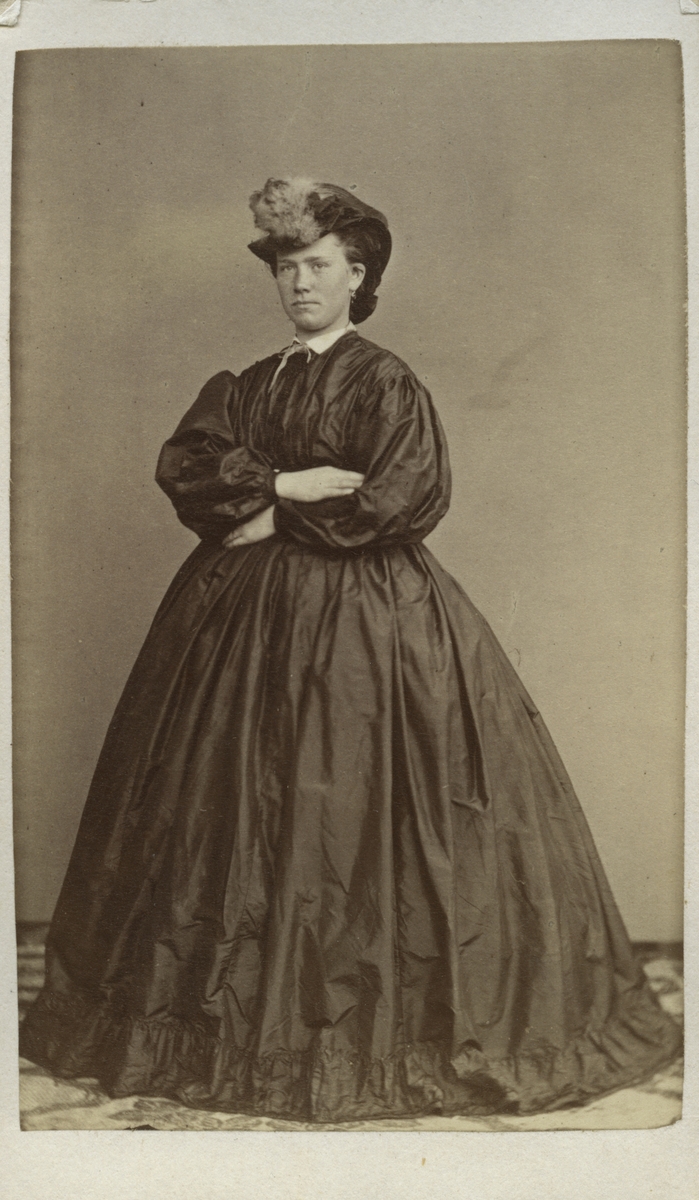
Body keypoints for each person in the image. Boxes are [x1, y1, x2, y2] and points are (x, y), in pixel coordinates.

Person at [19, 178, 681, 1123]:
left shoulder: (384, 380)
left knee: (351, 807)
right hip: (237, 628)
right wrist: (287, 484)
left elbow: (404, 495)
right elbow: (192, 468)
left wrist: (270, 513)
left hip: (367, 625)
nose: (300, 283)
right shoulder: (250, 383)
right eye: (287, 268)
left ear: (357, 277)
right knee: (231, 805)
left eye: (319, 266)